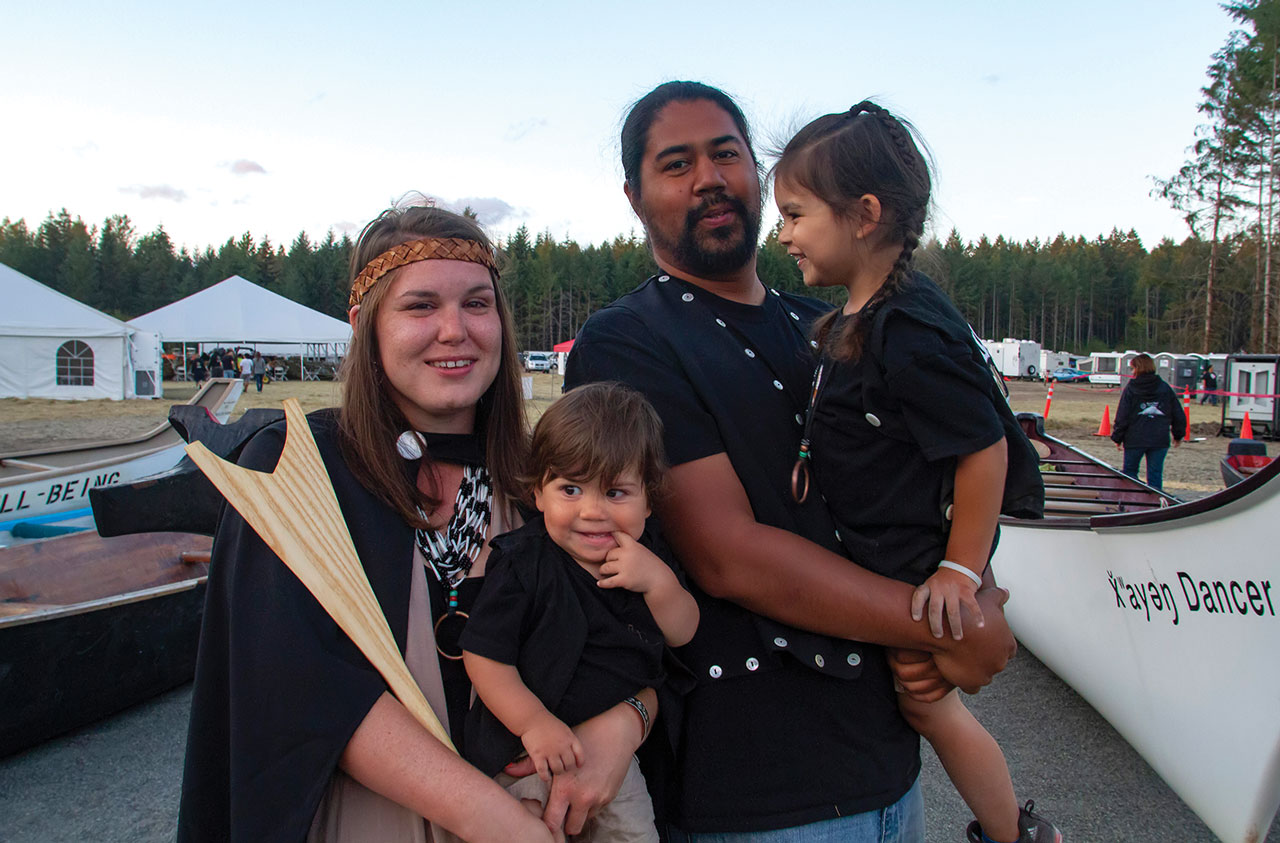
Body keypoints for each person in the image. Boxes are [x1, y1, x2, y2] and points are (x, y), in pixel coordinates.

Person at [566, 81, 1015, 842]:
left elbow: (943, 466)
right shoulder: (629, 342)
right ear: (635, 197)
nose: (709, 177)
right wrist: (945, 627)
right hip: (754, 796)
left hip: (889, 768)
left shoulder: (841, 322)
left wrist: (978, 592)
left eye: (726, 154)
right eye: (676, 164)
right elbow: (729, 556)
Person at [178, 202, 654, 843]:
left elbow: (632, 634)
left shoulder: (541, 484)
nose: (454, 330)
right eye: (420, 306)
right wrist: (490, 820)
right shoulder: (296, 470)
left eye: (478, 304)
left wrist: (625, 722)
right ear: (364, 325)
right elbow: (297, 679)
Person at [772, 101, 1059, 843]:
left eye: (797, 215)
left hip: (910, 568)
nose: (783, 235)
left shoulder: (911, 329)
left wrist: (962, 574)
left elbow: (982, 447)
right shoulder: (859, 317)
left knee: (929, 703)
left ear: (864, 213)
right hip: (888, 558)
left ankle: (1016, 833)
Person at [462, 382, 699, 843]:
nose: (592, 512)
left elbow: (684, 633)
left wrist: (659, 583)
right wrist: (534, 723)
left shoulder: (650, 558)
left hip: (617, 766)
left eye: (615, 493)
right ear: (538, 494)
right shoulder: (523, 563)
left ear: (649, 500)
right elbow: (485, 657)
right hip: (522, 757)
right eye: (570, 489)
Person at [1111, 352, 1186, 492]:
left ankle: (1131, 502)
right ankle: (1154, 504)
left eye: (1133, 368)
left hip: (1135, 439)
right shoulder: (1165, 388)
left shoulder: (1131, 389)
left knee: (1130, 474)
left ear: (1138, 369)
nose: (1132, 372)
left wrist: (1117, 436)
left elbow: (1123, 416)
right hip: (1159, 439)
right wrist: (1178, 434)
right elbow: (1178, 414)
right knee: (1155, 475)